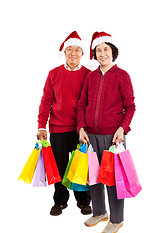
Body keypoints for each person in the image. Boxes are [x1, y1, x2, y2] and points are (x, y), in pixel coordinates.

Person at [77, 31, 136, 233]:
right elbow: (82, 104)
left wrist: (122, 129)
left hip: (114, 137)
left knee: (113, 179)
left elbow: (130, 107)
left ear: (113, 52)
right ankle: (99, 212)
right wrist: (81, 128)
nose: (102, 53)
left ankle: (116, 219)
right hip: (90, 135)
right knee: (93, 177)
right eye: (98, 50)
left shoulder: (122, 76)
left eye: (106, 49)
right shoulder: (91, 77)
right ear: (95, 54)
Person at [37, 31, 92, 216]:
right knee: (60, 167)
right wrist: (41, 125)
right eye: (69, 49)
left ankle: (84, 201)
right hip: (58, 128)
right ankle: (60, 201)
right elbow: (46, 101)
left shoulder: (88, 75)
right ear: (64, 52)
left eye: (77, 50)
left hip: (81, 130)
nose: (73, 53)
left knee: (80, 165)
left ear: (82, 54)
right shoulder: (53, 74)